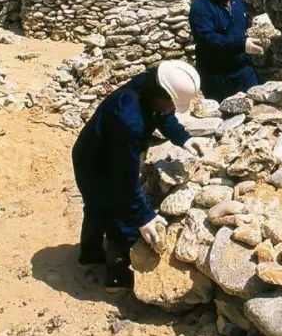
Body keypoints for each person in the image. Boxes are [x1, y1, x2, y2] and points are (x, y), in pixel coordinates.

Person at [71, 60, 205, 292]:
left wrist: (183, 138)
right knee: (118, 215)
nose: (173, 108)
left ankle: (89, 256)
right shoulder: (128, 119)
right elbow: (125, 180)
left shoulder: (150, 85)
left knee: (96, 207)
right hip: (97, 162)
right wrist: (143, 217)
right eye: (172, 103)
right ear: (161, 94)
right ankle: (116, 277)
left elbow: (162, 115)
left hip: (95, 148)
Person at [188, 0, 262, 100]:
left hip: (244, 71)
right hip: (218, 77)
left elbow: (242, 23)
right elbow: (208, 40)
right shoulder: (201, 7)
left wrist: (256, 29)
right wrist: (242, 45)